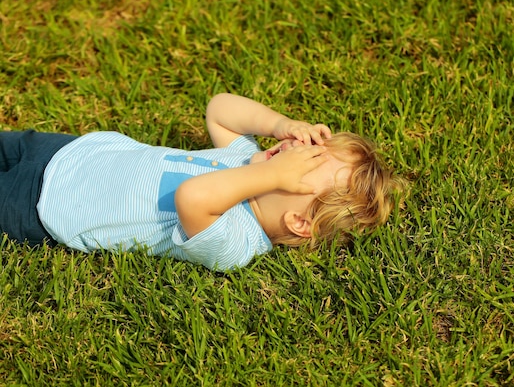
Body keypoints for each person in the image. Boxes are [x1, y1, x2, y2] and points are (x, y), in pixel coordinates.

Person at [1, 93, 400, 271]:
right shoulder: (245, 159)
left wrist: (269, 172)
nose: (297, 148)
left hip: (43, 205)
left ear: (298, 221)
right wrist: (281, 124)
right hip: (69, 152)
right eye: (310, 145)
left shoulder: (237, 243)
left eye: (309, 161)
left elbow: (192, 197)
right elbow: (219, 109)